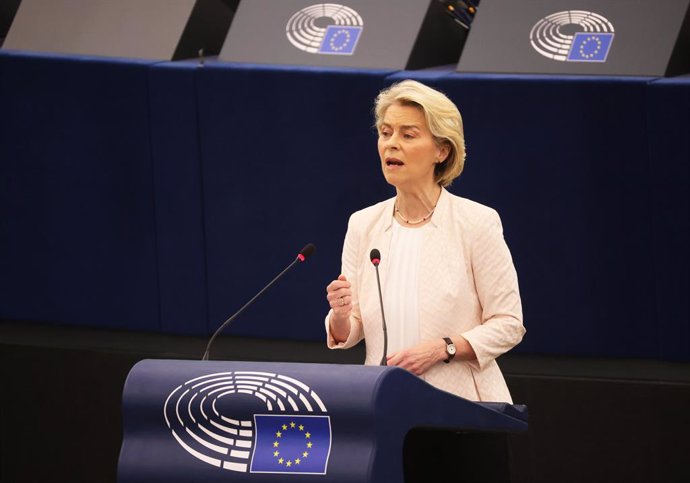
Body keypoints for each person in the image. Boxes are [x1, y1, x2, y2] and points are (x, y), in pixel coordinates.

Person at [324, 80, 525, 403]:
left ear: (441, 150)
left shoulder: (476, 223)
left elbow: (509, 324)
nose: (391, 144)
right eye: (385, 132)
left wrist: (441, 348)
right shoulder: (363, 224)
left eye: (408, 135)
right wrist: (341, 314)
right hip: (381, 404)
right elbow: (351, 331)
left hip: (461, 408)